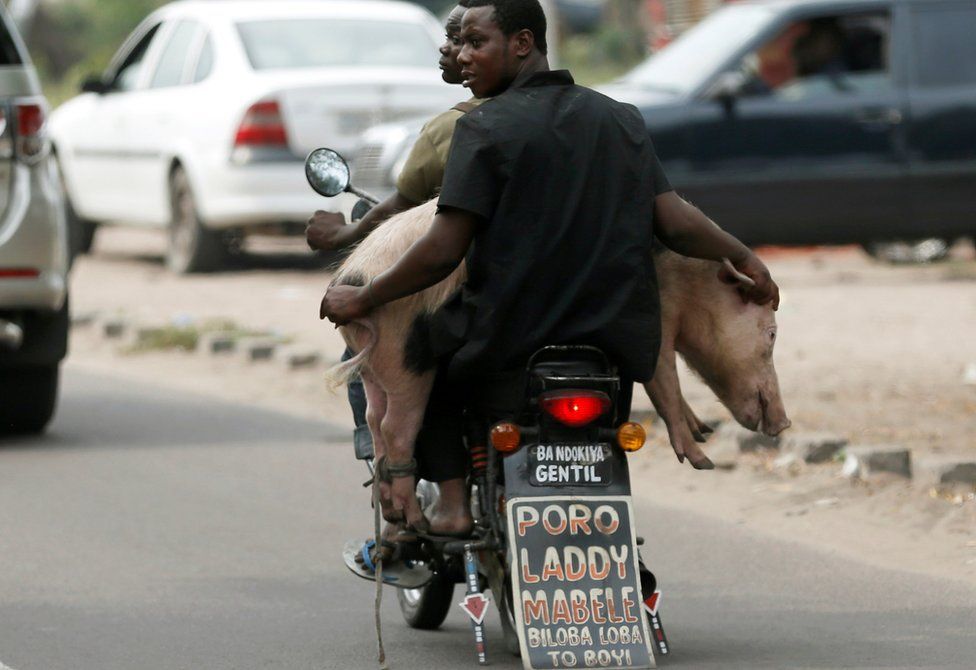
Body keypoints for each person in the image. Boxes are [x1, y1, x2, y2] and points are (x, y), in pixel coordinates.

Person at [320, 0, 779, 533]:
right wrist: (744, 256)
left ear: (522, 44)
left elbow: (442, 250)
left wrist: (367, 296)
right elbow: (674, 221)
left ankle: (451, 505)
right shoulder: (619, 118)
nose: (462, 56)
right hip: (611, 347)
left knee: (433, 366)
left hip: (507, 338)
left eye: (476, 42)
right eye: (461, 43)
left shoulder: (484, 128)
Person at [307, 3, 485, 557]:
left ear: (514, 44)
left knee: (388, 367)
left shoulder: (458, 128)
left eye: (460, 38)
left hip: (469, 301)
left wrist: (349, 256)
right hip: (560, 300)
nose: (446, 48)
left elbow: (412, 219)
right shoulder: (578, 121)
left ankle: (406, 503)